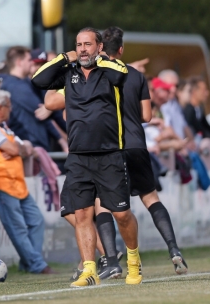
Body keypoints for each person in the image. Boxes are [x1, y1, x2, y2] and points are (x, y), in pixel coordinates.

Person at [32, 27, 141, 286]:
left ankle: (134, 261)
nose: (82, 49)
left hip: (109, 154)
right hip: (79, 156)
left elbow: (122, 74)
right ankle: (89, 269)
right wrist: (63, 57)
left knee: (122, 215)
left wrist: (100, 59)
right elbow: (38, 79)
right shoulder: (69, 73)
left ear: (99, 46)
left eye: (88, 44)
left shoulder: (111, 70)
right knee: (81, 214)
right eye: (79, 44)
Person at [94, 26, 187, 278]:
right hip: (137, 144)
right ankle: (174, 250)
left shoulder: (95, 75)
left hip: (110, 148)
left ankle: (112, 261)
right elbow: (147, 115)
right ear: (121, 50)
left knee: (102, 204)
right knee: (151, 198)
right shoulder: (136, 75)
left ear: (101, 48)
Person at [0, 89, 53, 274]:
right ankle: (37, 265)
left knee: (36, 221)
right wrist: (17, 148)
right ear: (1, 108)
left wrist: (18, 148)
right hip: (0, 185)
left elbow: (25, 148)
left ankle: (29, 263)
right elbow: (17, 148)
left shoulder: (3, 127)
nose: (11, 110)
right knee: (17, 228)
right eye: (9, 107)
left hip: (17, 185)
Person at [1, 46, 67, 152]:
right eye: (29, 60)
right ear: (19, 62)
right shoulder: (17, 87)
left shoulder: (23, 84)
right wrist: (62, 141)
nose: (31, 63)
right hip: (32, 145)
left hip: (34, 145)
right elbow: (40, 113)